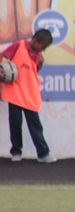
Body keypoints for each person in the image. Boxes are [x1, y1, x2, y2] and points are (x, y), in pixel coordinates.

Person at [1, 29, 55, 163]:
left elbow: (34, 70)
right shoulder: (18, 45)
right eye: (43, 47)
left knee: (35, 125)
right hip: (15, 92)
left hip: (30, 93)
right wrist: (3, 69)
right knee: (15, 123)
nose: (43, 50)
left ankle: (43, 153)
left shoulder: (37, 55)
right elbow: (3, 56)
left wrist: (40, 64)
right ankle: (16, 152)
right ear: (35, 41)